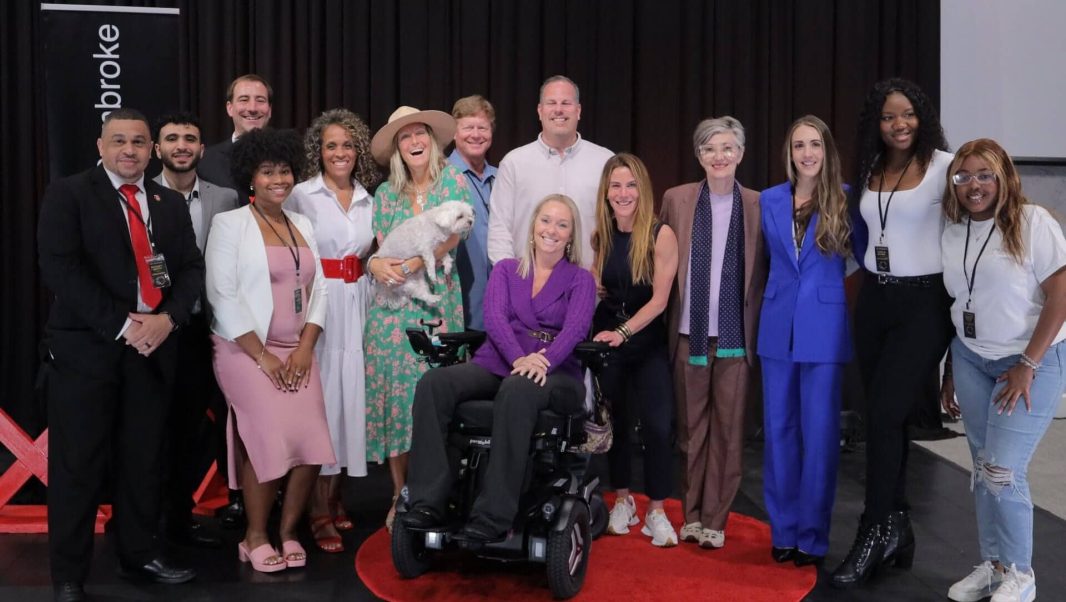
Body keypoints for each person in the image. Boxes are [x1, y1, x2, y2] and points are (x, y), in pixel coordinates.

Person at [38, 108, 203, 602]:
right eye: (119, 141)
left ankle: (139, 554)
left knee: (143, 460)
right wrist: (124, 325)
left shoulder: (167, 202)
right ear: (100, 146)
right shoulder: (69, 194)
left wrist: (168, 320)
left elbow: (191, 269)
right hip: (87, 352)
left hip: (153, 350)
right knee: (78, 465)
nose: (128, 150)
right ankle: (69, 574)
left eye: (138, 142)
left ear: (151, 149)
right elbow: (60, 269)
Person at [402, 194, 597, 542]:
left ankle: (494, 514)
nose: (552, 229)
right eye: (546, 221)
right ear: (533, 226)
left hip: (555, 372)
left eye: (562, 224)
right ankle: (427, 500)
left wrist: (545, 359)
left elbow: (576, 329)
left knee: (517, 388)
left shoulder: (579, 279)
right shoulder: (507, 269)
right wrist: (518, 358)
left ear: (570, 236)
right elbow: (494, 319)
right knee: (434, 382)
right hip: (503, 360)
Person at [831, 78, 955, 588]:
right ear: (874, 125)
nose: (898, 124)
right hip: (876, 300)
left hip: (926, 304)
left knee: (884, 414)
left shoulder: (947, 167)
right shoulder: (872, 169)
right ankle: (897, 527)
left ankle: (872, 530)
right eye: (887, 117)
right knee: (885, 417)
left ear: (921, 115)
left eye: (906, 114)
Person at [939, 139, 1066, 602]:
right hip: (972, 357)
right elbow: (959, 304)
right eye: (964, 176)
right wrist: (952, 367)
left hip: (1031, 360)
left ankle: (1021, 573)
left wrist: (1028, 364)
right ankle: (993, 566)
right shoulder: (953, 231)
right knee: (980, 465)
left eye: (984, 175)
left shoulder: (1034, 223)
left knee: (1001, 468)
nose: (974, 185)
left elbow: (1061, 294)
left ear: (1004, 177)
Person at [205, 128, 335, 573]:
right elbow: (222, 297)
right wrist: (264, 356)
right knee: (268, 437)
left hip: (298, 350)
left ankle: (288, 531)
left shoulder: (302, 224)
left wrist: (305, 347)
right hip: (245, 352)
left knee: (313, 440)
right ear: (250, 178)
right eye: (267, 172)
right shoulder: (230, 224)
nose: (278, 179)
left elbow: (320, 289)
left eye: (284, 171)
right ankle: (255, 535)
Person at [659, 115, 767, 550]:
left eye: (727, 148)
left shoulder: (761, 204)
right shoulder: (676, 199)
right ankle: (691, 514)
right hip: (689, 334)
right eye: (709, 149)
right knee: (691, 432)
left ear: (740, 154)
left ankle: (715, 521)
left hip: (736, 337)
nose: (719, 156)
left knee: (728, 430)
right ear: (698, 156)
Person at [364, 106, 471, 532]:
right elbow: (379, 246)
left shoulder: (453, 182)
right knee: (395, 399)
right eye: (404, 136)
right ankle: (399, 493)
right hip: (389, 313)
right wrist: (376, 265)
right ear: (397, 148)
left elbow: (451, 237)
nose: (413, 142)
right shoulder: (385, 193)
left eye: (419, 133)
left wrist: (409, 265)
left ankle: (436, 492)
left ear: (431, 138)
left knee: (431, 397)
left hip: (435, 303)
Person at [757, 116, 856, 567]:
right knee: (778, 433)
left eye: (815, 143)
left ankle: (812, 536)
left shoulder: (846, 199)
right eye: (799, 145)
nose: (807, 152)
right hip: (777, 327)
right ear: (789, 152)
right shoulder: (770, 199)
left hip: (825, 330)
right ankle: (783, 531)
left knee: (819, 436)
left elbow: (865, 258)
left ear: (827, 149)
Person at [287, 108, 383, 553]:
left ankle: (337, 495)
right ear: (318, 152)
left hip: (361, 300)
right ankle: (316, 510)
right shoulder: (301, 196)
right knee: (322, 401)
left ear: (358, 149)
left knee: (351, 399)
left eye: (347, 144)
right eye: (331, 145)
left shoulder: (371, 198)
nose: (340, 152)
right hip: (320, 304)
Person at [152, 111, 239, 549]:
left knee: (199, 425)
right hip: (163, 327)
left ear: (203, 150)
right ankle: (150, 519)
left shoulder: (225, 198)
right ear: (158, 149)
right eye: (172, 139)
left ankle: (182, 518)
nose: (181, 145)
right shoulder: (141, 197)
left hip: (217, 325)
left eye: (190, 138)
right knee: (156, 425)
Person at [589, 153, 680, 547]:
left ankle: (656, 510)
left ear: (642, 190)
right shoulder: (601, 236)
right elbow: (595, 286)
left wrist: (622, 332)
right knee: (618, 426)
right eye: (615, 186)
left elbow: (660, 301)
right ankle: (623, 500)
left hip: (644, 342)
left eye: (630, 185)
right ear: (606, 193)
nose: (623, 193)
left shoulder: (662, 234)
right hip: (607, 342)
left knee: (658, 427)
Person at [487, 75, 612, 267]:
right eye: (551, 103)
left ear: (578, 111)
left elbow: (617, 226)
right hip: (526, 286)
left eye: (566, 103)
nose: (558, 109)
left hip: (589, 286)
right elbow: (499, 229)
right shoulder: (514, 163)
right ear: (540, 110)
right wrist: (511, 280)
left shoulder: (605, 162)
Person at [448, 94, 497, 330]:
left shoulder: (503, 176)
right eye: (468, 127)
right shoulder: (441, 177)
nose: (476, 134)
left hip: (501, 309)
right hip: (459, 304)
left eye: (483, 127)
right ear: (454, 132)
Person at [198, 74, 273, 204]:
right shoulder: (205, 161)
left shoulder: (289, 158)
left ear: (270, 109)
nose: (252, 108)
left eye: (260, 100)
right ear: (230, 108)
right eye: (244, 100)